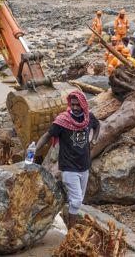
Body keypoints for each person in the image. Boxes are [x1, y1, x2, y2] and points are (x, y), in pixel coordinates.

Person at [35, 91, 100, 229]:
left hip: (84, 166)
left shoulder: (88, 118)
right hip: (69, 167)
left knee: (78, 200)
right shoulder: (62, 121)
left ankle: (67, 219)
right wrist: (34, 150)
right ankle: (72, 233)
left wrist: (94, 139)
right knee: (76, 201)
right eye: (73, 104)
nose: (75, 108)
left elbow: (97, 125)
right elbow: (47, 136)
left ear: (83, 105)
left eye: (78, 105)